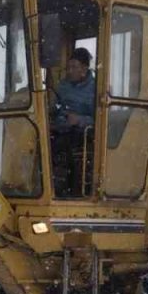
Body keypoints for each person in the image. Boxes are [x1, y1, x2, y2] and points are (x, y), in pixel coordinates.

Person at [50, 47, 96, 197]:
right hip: (61, 129)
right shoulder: (63, 86)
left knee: (68, 149)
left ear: (84, 68)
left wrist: (79, 120)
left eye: (74, 67)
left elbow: (102, 119)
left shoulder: (96, 89)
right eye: (68, 67)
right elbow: (55, 107)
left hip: (83, 134)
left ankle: (71, 191)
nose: (70, 71)